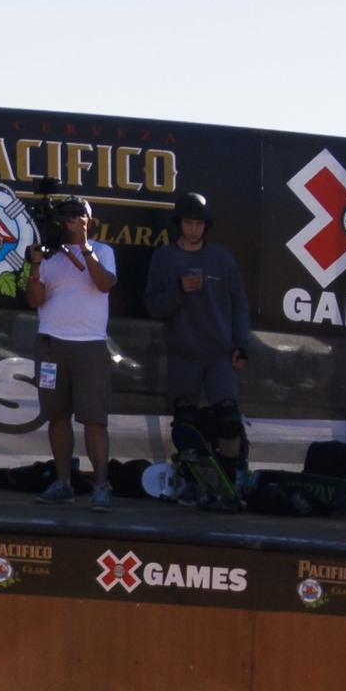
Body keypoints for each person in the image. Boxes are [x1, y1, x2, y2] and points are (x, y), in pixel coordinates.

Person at [147, 195, 260, 491]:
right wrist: (178, 289)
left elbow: (239, 303)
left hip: (220, 353)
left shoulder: (221, 258)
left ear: (206, 226)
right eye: (188, 223)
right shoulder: (164, 258)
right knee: (185, 423)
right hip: (183, 353)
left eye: (199, 224)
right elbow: (153, 307)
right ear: (179, 224)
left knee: (229, 420)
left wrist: (242, 344)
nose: (194, 229)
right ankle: (192, 481)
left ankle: (230, 481)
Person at [28, 215, 117, 494]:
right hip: (51, 345)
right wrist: (34, 264)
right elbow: (34, 301)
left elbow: (104, 284)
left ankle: (101, 486)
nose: (71, 225)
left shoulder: (102, 250)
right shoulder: (48, 255)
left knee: (94, 419)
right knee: (57, 416)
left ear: (90, 222)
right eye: (66, 220)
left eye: (78, 220)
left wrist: (84, 246)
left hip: (90, 345)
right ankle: (63, 483)